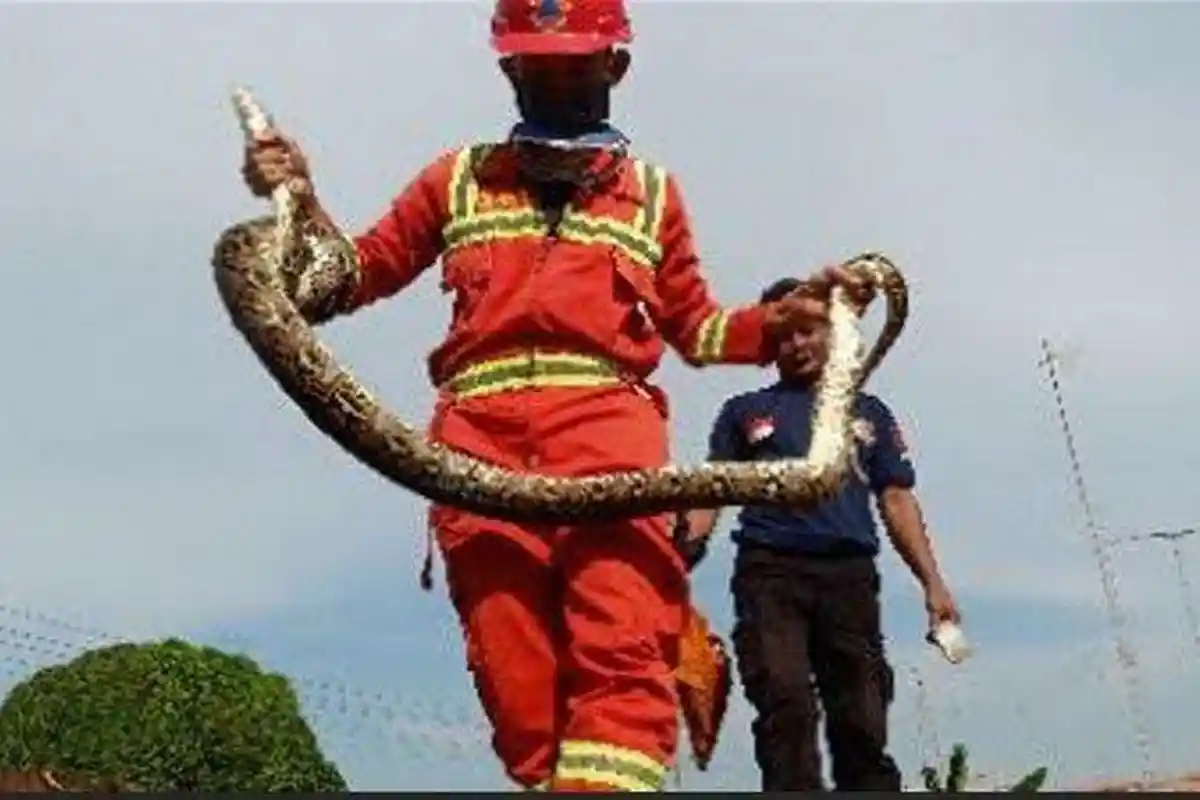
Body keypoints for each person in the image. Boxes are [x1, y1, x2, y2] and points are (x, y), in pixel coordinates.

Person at [240, 0, 875, 791]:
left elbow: (698, 328)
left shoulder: (651, 195)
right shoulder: (457, 180)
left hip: (611, 449)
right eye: (539, 68)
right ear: (508, 69)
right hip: (472, 461)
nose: (559, 83)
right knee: (522, 697)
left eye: (577, 66)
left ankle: (658, 640)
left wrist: (777, 321)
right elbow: (345, 277)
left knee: (620, 669)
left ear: (617, 67)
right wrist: (297, 202)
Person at [679, 276, 962, 792]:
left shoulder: (867, 412)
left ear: (831, 331)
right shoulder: (744, 412)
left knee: (861, 714)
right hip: (770, 573)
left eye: (808, 331)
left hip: (848, 575)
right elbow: (710, 492)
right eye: (784, 336)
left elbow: (896, 497)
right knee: (784, 702)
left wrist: (933, 583)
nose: (797, 344)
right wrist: (680, 556)